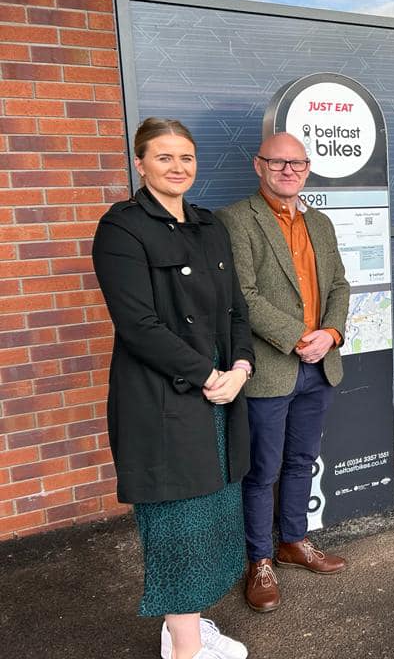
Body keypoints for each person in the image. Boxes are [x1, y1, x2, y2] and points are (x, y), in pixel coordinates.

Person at [92, 117, 253, 659]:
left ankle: (184, 627)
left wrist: (242, 368)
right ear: (140, 163)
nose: (177, 167)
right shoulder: (121, 228)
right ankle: (185, 649)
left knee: (212, 517)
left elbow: (236, 310)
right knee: (178, 520)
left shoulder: (210, 226)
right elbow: (137, 325)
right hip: (165, 394)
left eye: (186, 157)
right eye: (164, 157)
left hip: (222, 388)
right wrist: (210, 376)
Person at [217, 132, 351, 613]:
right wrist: (298, 335)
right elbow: (243, 295)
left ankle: (293, 541)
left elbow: (339, 283)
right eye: (277, 163)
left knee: (300, 461)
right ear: (259, 166)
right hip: (272, 366)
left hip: (320, 365)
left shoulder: (320, 222)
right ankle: (259, 560)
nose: (287, 171)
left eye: (296, 163)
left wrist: (331, 332)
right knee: (261, 471)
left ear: (307, 168)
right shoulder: (235, 220)